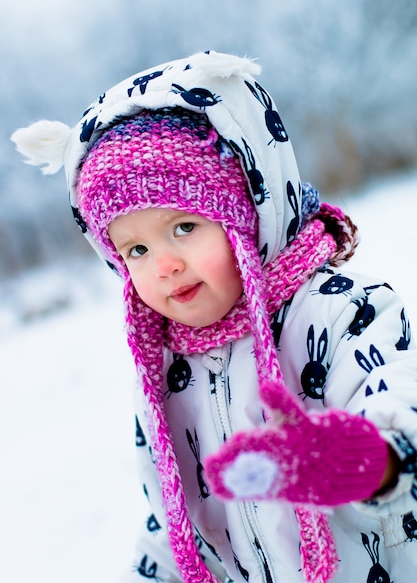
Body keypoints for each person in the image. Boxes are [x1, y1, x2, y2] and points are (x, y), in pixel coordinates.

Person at [11, 50, 417, 583]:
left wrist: (367, 458)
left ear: (249, 209)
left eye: (183, 227)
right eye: (135, 251)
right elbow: (174, 520)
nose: (164, 265)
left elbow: (401, 404)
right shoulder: (164, 372)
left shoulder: (343, 310)